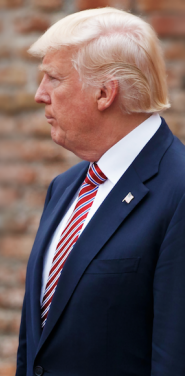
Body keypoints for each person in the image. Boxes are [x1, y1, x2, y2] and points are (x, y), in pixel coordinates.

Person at [16, 7, 185, 376]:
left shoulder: (179, 190)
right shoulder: (66, 187)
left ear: (105, 93)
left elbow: (175, 355)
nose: (39, 95)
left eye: (53, 78)